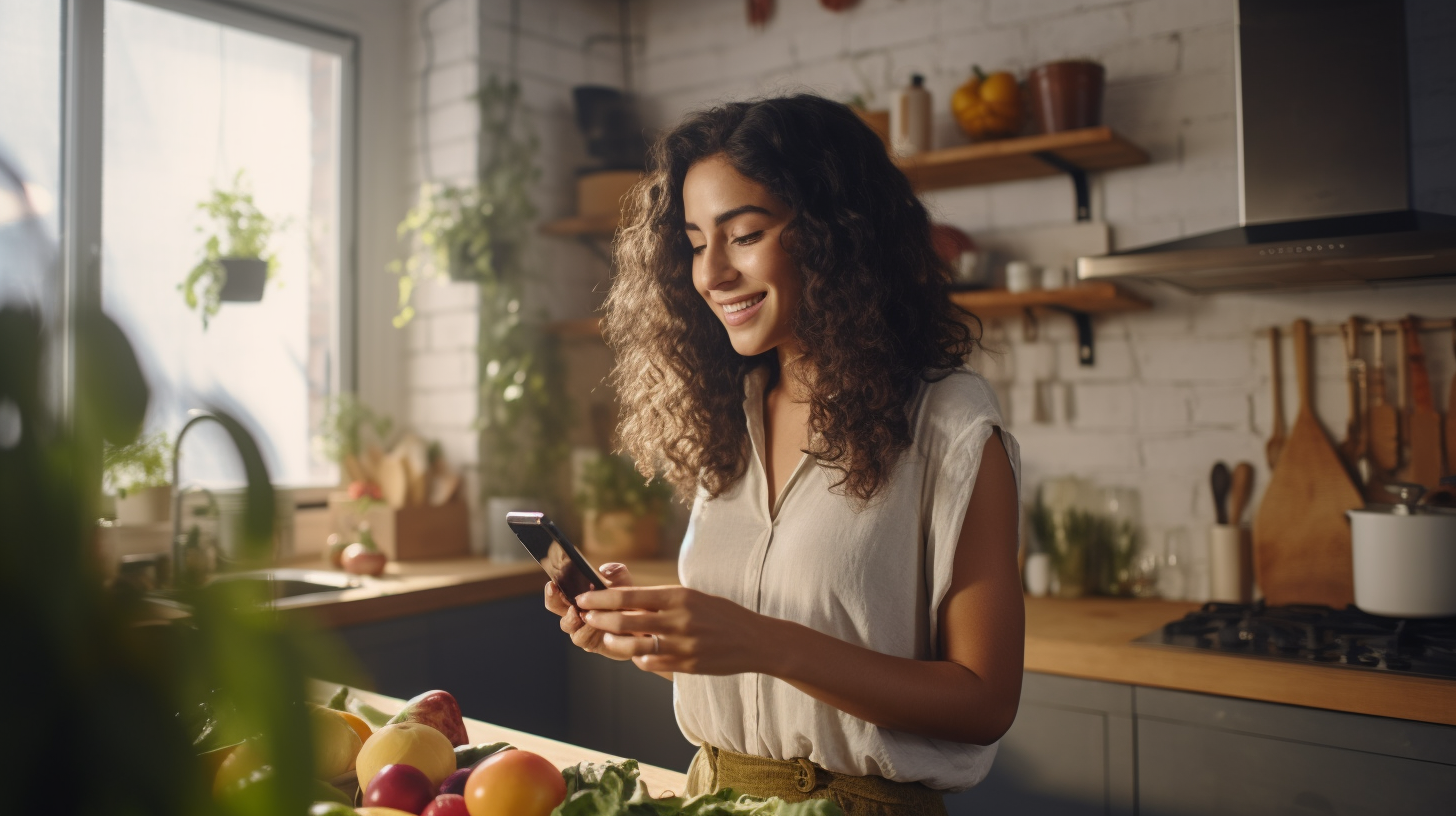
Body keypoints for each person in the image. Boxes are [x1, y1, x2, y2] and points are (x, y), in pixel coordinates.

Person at [543, 94, 1024, 815]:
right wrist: (648, 635)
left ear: (837, 233)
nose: (711, 274)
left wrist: (762, 642)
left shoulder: (949, 423)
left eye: (743, 235)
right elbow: (752, 671)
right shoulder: (725, 418)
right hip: (711, 795)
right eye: (697, 242)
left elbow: (984, 704)